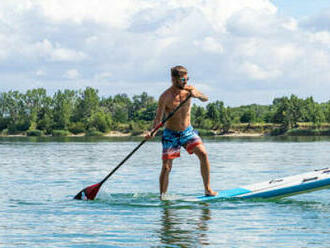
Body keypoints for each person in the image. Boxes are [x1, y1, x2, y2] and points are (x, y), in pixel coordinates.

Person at [145, 65, 217, 199]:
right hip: (170, 134)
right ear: (174, 79)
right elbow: (158, 118)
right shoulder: (165, 97)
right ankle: (163, 197)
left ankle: (207, 189)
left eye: (187, 79)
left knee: (203, 154)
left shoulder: (190, 90)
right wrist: (152, 132)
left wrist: (198, 95)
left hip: (187, 132)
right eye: (183, 80)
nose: (186, 82)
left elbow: (205, 98)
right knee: (166, 167)